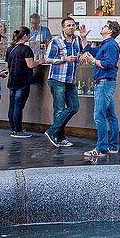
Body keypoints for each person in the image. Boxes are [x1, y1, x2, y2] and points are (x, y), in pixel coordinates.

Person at [44, 16, 94, 148]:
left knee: (74, 107)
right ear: (63, 28)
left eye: (73, 25)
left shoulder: (77, 39)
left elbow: (83, 52)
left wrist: (81, 56)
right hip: (57, 79)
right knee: (59, 109)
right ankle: (59, 137)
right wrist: (64, 59)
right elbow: (48, 59)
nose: (71, 28)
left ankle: (52, 132)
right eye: (68, 25)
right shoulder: (56, 40)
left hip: (71, 79)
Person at [83, 20, 120, 158]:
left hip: (104, 83)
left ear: (110, 30)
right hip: (107, 83)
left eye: (105, 26)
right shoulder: (105, 44)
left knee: (99, 116)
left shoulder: (110, 45)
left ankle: (101, 148)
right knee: (111, 116)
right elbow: (89, 50)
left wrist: (93, 61)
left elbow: (109, 64)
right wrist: (84, 38)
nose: (102, 27)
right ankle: (113, 146)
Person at [5, 27, 40, 138]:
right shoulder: (26, 49)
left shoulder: (10, 48)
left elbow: (7, 65)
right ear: (25, 36)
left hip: (12, 80)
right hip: (23, 80)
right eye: (28, 35)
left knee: (12, 106)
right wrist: (40, 61)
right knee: (18, 106)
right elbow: (30, 64)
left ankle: (13, 129)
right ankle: (18, 130)